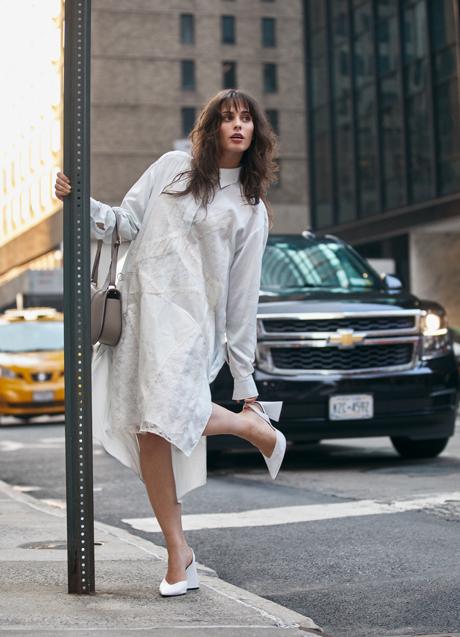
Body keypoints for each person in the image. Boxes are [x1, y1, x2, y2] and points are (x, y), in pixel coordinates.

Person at [54, 88, 287, 597]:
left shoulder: (250, 209)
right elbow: (127, 222)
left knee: (168, 410)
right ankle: (179, 554)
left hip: (190, 325)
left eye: (247, 119)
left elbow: (242, 299)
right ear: (211, 128)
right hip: (140, 312)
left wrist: (245, 378)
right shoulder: (171, 168)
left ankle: (252, 425)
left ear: (257, 134)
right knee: (148, 431)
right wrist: (80, 203)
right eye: (228, 118)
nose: (238, 126)